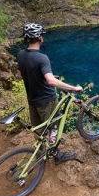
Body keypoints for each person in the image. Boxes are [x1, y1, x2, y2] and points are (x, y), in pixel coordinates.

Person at [16, 23, 82, 164]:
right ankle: (57, 155)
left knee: (39, 129)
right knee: (54, 127)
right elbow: (51, 81)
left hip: (32, 101)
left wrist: (39, 75)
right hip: (46, 101)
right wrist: (73, 88)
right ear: (40, 38)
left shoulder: (21, 55)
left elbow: (20, 76)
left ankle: (41, 153)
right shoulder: (42, 58)